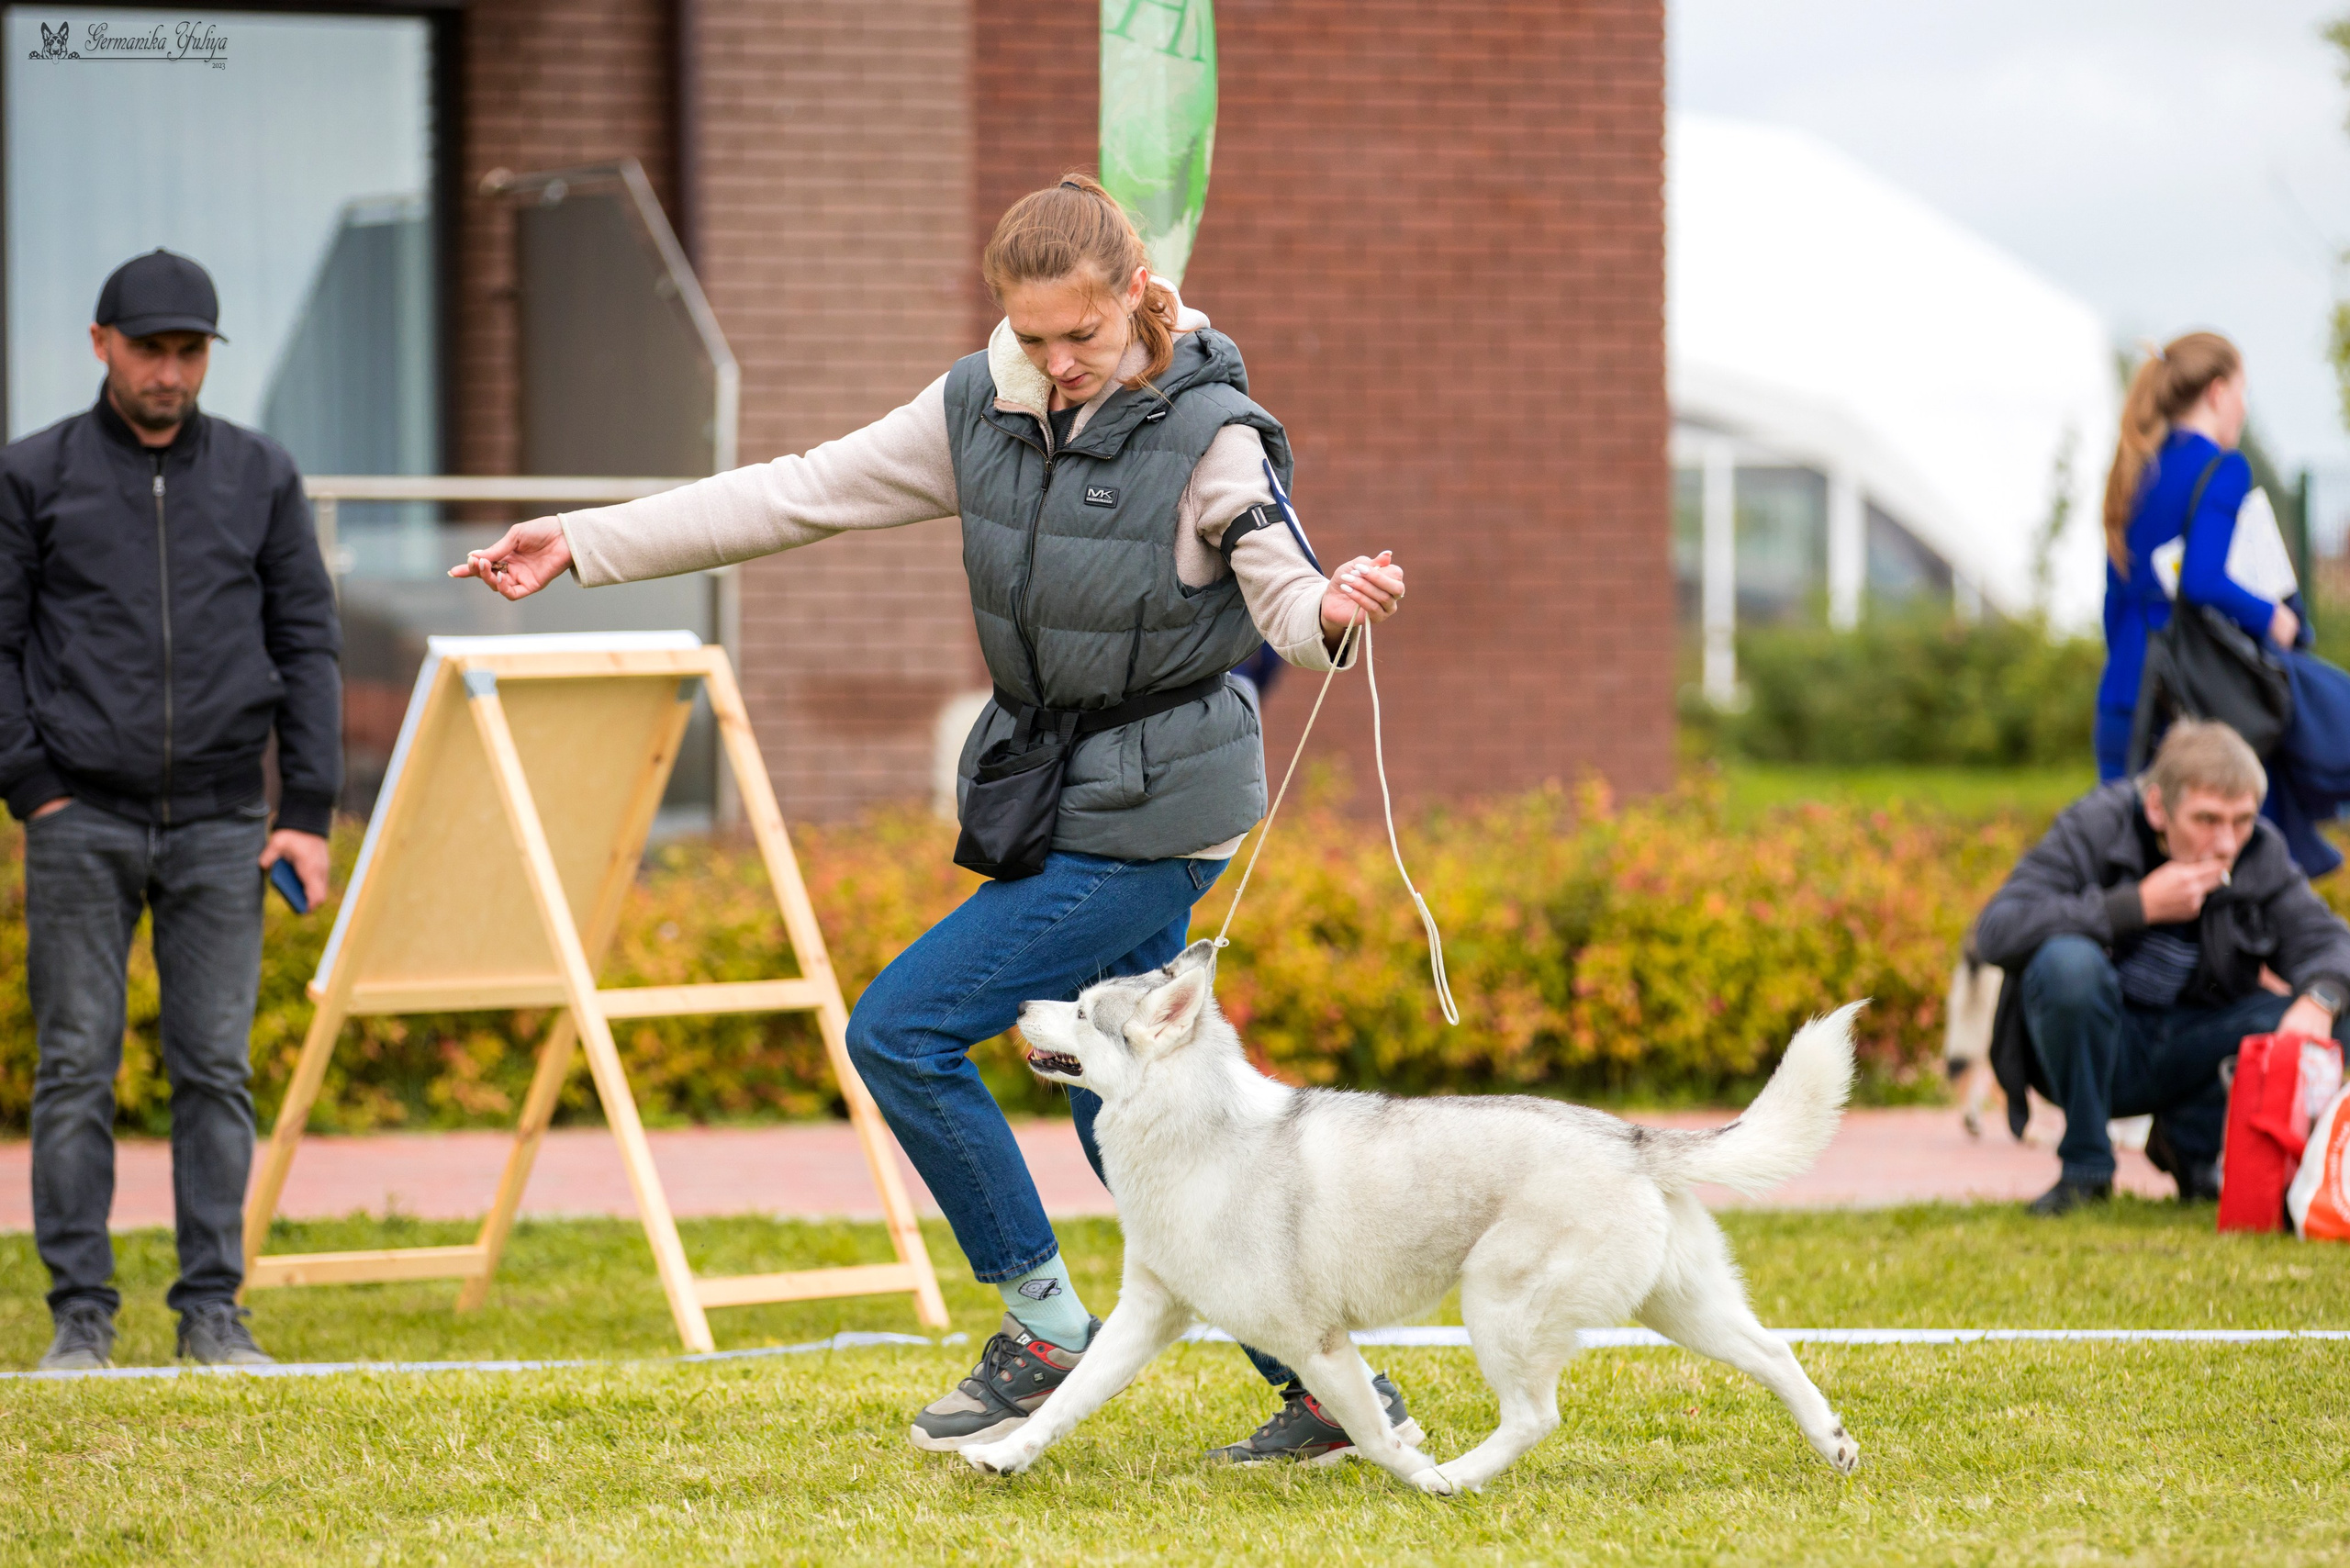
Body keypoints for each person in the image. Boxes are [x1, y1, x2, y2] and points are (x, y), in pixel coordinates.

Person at [452, 175, 1417, 1462]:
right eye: (1033, 339)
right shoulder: (981, 404)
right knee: (1114, 1102)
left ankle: (1043, 1328)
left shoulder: (1215, 435)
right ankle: (1329, 1391)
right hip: (1059, 788)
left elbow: (1285, 591)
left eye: (1080, 336)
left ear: (1137, 295)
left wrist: (1336, 613)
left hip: (1158, 813)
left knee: (903, 1031)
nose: (1059, 365)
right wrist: (583, 539)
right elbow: (795, 492)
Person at [0, 249, 341, 1369]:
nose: (169, 369)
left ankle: (212, 1313)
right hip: (78, 818)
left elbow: (307, 643)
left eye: (189, 350)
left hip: (220, 822)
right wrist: (34, 789)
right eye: (149, 348)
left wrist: (309, 811)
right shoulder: (32, 475)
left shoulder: (260, 475)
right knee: (75, 1067)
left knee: (214, 1068)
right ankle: (81, 1319)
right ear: (100, 344)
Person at [1975, 721, 2350, 1215]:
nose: (2226, 842)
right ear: (2157, 807)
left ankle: (2192, 1148)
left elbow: (2329, 943)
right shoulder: (2096, 825)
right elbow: (1997, 929)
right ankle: (2085, 1169)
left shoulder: (2259, 850)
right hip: (2092, 1050)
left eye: (2241, 820)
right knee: (2068, 964)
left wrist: (2318, 1001)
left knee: (2333, 1011)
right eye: (2207, 819)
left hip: (2191, 1043)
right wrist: (2135, 907)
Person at [2094, 331, 2310, 788]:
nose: (2244, 407)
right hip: (2183, 697)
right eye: (2241, 392)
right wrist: (2273, 615)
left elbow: (2114, 601)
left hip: (2121, 693)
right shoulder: (2223, 468)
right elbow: (2201, 579)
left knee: (2123, 841)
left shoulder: (2136, 467)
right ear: (2216, 392)